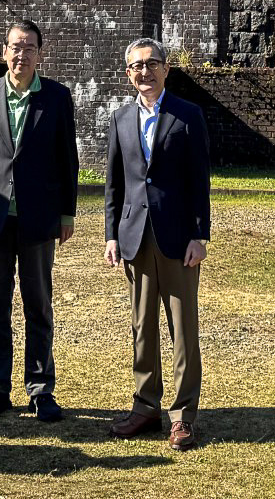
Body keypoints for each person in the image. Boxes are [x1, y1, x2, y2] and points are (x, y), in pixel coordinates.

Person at [0, 19, 80, 422]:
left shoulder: (57, 97)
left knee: (38, 305)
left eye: (29, 47)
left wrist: (67, 212)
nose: (21, 54)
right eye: (15, 46)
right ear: (4, 51)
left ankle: (41, 389)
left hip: (39, 216)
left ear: (40, 54)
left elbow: (67, 159)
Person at [104, 36, 211, 452]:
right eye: (136, 66)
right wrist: (111, 234)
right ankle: (146, 405)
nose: (144, 72)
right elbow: (114, 184)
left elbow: (199, 181)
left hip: (178, 237)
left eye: (152, 64)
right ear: (127, 74)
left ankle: (183, 415)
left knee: (182, 328)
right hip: (134, 237)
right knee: (142, 327)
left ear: (167, 68)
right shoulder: (119, 119)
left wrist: (200, 235)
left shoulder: (188, 116)